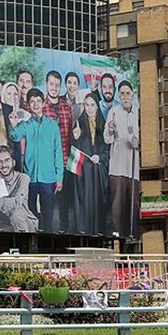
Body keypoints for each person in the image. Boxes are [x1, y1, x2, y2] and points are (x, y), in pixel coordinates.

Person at [9, 88, 63, 232]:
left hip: (48, 177)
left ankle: (48, 240)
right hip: (30, 177)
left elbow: (58, 153)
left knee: (48, 214)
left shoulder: (52, 126)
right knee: (30, 213)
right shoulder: (26, 125)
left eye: (38, 101)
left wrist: (59, 177)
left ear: (43, 102)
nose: (36, 104)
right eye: (32, 102)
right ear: (28, 104)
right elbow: (15, 136)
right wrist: (14, 124)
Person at [70, 91, 110, 235]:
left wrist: (100, 157)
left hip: (99, 173)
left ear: (97, 107)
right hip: (84, 174)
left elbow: (108, 149)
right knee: (84, 203)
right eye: (86, 105)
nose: (89, 108)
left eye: (92, 105)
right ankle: (83, 232)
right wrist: (75, 138)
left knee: (99, 203)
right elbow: (73, 150)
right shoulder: (79, 124)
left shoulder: (104, 125)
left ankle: (100, 231)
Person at [41, 70, 75, 233]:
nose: (54, 88)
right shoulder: (41, 106)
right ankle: (47, 230)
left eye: (57, 85)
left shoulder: (66, 108)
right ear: (46, 84)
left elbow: (70, 136)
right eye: (51, 84)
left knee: (64, 200)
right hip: (46, 163)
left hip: (64, 160)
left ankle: (64, 229)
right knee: (47, 199)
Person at [105, 80, 140, 239]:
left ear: (132, 94)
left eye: (127, 93)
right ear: (119, 96)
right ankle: (117, 234)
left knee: (133, 204)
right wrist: (111, 130)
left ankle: (132, 233)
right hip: (117, 167)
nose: (125, 97)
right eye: (122, 94)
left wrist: (138, 143)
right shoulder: (113, 112)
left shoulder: (139, 113)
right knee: (117, 204)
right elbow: (106, 139)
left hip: (133, 167)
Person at [0, 146, 38, 232]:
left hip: (25, 223)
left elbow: (17, 202)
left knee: (16, 213)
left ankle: (24, 244)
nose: (4, 165)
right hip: (4, 225)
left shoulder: (23, 178)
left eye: (7, 160)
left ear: (13, 162)